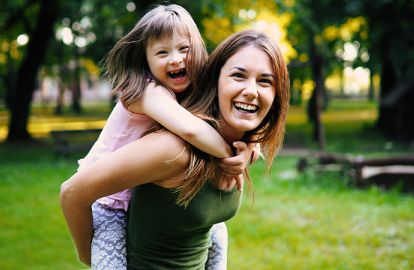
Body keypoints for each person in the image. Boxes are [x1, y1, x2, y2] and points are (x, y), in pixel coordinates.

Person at [60, 29, 290, 269]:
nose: (252, 91)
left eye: (265, 81)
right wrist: (89, 255)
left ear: (277, 95)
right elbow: (72, 193)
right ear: (215, 80)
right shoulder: (174, 150)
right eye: (238, 75)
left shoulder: (241, 149)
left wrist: (247, 148)